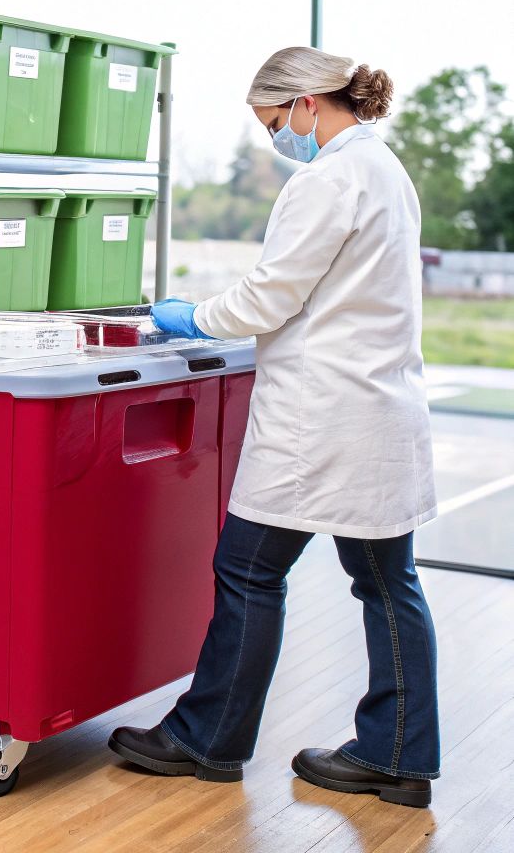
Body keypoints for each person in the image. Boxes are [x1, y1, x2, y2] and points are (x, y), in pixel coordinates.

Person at [109, 47, 439, 808]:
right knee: (390, 586)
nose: (275, 140)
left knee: (249, 570)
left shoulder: (327, 180)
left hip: (323, 418)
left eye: (273, 123)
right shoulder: (383, 169)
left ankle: (206, 740)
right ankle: (400, 755)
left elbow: (267, 301)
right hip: (378, 409)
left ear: (308, 104)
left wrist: (189, 317)